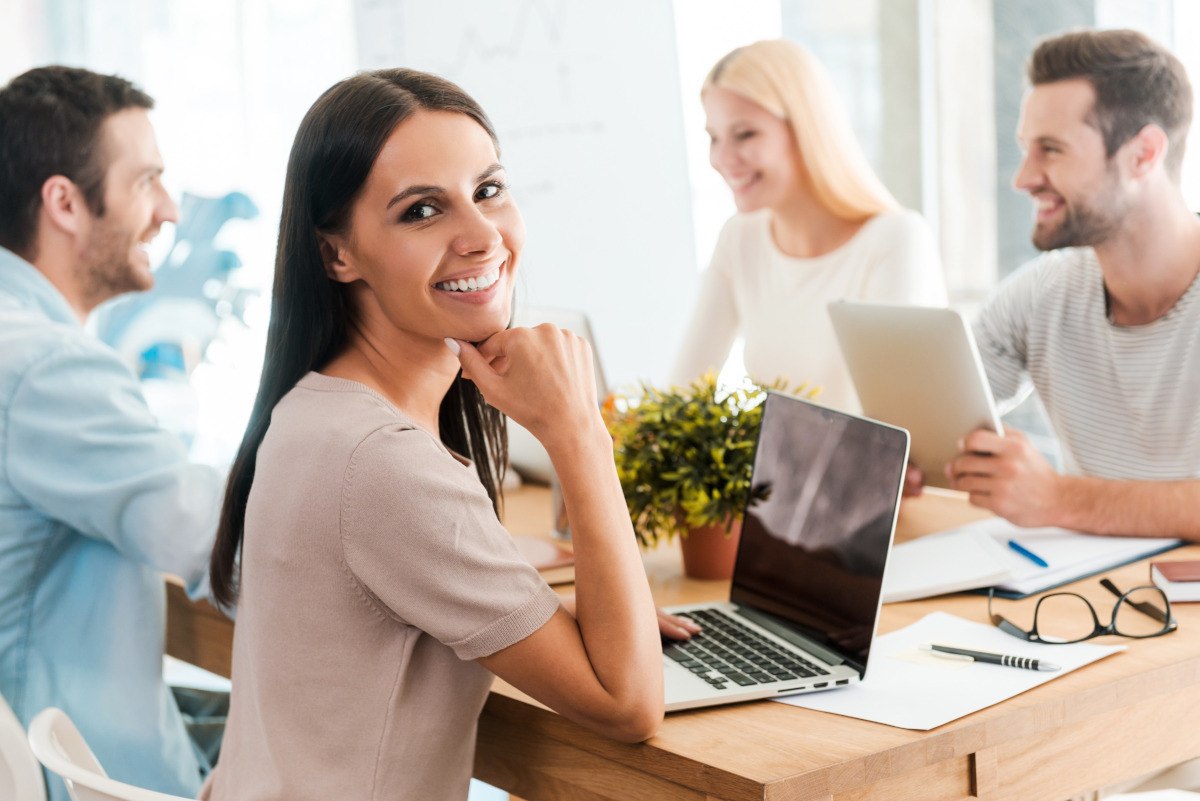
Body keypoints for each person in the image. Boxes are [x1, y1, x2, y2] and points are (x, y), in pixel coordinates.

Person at [203, 68, 681, 801]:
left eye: (488, 190)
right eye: (423, 210)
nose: (482, 235)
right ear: (338, 253)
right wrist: (578, 429)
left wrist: (571, 619)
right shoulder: (383, 462)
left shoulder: (313, 408)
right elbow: (628, 705)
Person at [0, 66, 225, 799]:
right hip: (69, 769)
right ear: (64, 202)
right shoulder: (49, 368)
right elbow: (222, 545)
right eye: (145, 182)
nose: (166, 210)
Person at [948, 29, 1200, 544]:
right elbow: (942, 420)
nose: (1023, 178)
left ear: (1144, 154)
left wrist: (1058, 498)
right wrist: (919, 456)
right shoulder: (1041, 295)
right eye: (1026, 149)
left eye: (1051, 150)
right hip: (1080, 599)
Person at [672, 39, 948, 414]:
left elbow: (902, 427)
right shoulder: (740, 237)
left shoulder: (895, 240)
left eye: (745, 134)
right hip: (780, 473)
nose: (722, 158)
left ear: (806, 129)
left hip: (868, 474)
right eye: (713, 138)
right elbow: (680, 396)